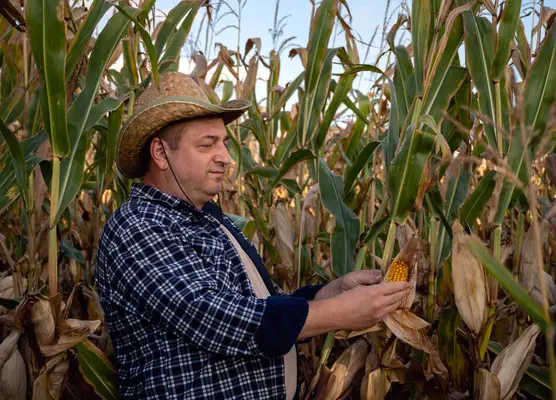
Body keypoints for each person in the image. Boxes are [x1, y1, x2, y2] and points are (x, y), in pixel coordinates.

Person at [94, 71, 410, 400]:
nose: (226, 158)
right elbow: (212, 317)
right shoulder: (139, 226)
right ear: (160, 153)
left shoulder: (207, 219)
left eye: (224, 144)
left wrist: (329, 294)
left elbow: (255, 307)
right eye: (207, 144)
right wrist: (339, 313)